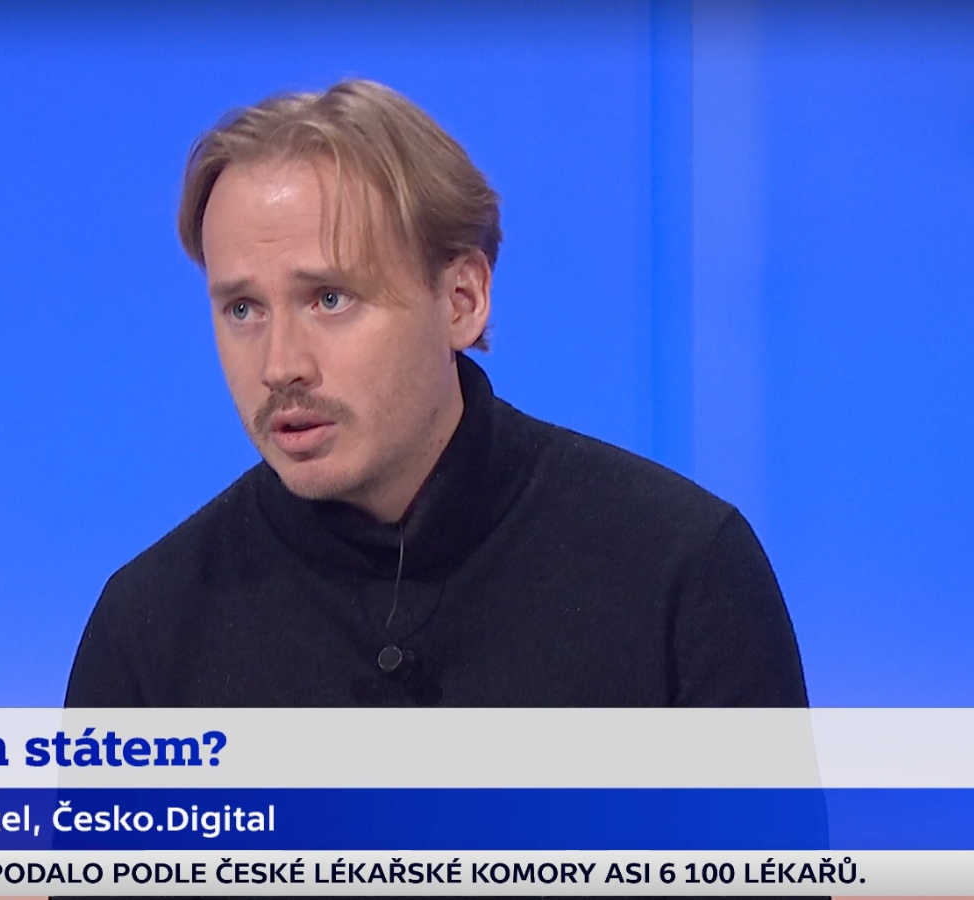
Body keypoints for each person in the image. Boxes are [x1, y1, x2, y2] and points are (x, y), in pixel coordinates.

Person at [65, 79, 807, 710]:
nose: (279, 366)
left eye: (329, 298)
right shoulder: (147, 632)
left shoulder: (684, 575)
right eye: (242, 309)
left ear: (461, 300)